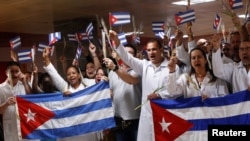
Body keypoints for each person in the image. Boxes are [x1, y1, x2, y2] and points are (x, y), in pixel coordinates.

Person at [109, 30, 180, 141]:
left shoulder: (172, 67)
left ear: (161, 49)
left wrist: (160, 95)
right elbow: (128, 58)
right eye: (149, 50)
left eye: (154, 49)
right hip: (148, 114)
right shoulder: (145, 65)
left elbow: (176, 91)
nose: (151, 53)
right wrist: (117, 41)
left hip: (165, 115)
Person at [42, 47, 99, 141]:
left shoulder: (88, 86)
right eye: (68, 74)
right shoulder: (65, 88)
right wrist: (46, 59)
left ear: (79, 74)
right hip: (70, 131)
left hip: (86, 130)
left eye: (73, 73)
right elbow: (55, 75)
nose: (71, 75)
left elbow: (99, 74)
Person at [103, 44, 142, 141]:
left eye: (130, 53)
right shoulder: (112, 73)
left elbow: (131, 80)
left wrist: (115, 68)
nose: (127, 55)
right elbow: (111, 93)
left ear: (135, 56)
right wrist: (102, 87)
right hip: (118, 118)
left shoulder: (138, 70)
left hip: (136, 118)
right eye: (125, 53)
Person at [0, 61, 33, 141]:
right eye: (11, 72)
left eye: (17, 71)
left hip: (26, 123)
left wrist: (25, 82)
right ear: (6, 73)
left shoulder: (25, 84)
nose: (14, 74)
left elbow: (32, 100)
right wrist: (6, 104)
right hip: (10, 125)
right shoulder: (1, 88)